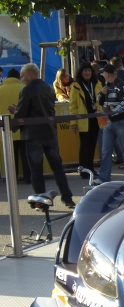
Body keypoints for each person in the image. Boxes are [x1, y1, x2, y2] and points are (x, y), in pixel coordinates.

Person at [8, 63, 75, 208]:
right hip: (50, 132)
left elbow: (23, 113)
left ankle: (41, 202)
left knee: (36, 170)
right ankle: (67, 198)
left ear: (30, 75)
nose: (22, 79)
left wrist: (14, 117)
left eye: (23, 76)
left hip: (33, 135)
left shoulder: (27, 90)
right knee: (57, 167)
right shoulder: (48, 88)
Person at [97, 63, 124, 183]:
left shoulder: (121, 85)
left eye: (104, 73)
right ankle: (104, 176)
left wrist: (112, 112)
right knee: (106, 150)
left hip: (122, 121)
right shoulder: (106, 86)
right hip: (109, 122)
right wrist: (102, 94)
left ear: (107, 74)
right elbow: (99, 101)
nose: (103, 75)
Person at [69, 61, 102, 178]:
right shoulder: (76, 86)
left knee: (93, 145)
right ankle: (84, 170)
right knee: (84, 146)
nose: (87, 72)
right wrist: (73, 122)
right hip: (83, 120)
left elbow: (101, 100)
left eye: (89, 70)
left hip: (95, 119)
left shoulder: (97, 83)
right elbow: (73, 106)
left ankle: (91, 168)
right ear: (81, 72)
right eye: (85, 70)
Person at [0, 68, 29, 182]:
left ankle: (13, 178)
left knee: (10, 155)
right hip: (23, 126)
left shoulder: (1, 89)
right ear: (18, 77)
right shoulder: (24, 88)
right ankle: (27, 177)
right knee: (25, 154)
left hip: (6, 127)